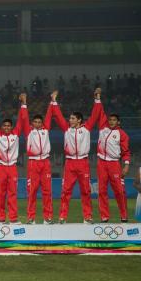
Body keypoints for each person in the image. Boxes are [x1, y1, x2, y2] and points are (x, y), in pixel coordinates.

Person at [49, 89, 102, 224]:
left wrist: (97, 99)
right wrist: (54, 101)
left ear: (79, 120)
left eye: (72, 118)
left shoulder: (87, 128)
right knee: (66, 191)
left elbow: (95, 115)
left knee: (85, 191)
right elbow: (58, 115)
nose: (70, 120)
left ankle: (87, 217)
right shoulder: (67, 129)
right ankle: (62, 217)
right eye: (70, 118)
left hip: (83, 162)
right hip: (70, 163)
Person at [0, 97, 27, 224]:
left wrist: (23, 104)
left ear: (11, 127)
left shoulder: (16, 133)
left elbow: (21, 120)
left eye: (8, 126)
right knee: (0, 194)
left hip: (12, 167)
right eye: (4, 125)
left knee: (12, 194)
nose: (6, 127)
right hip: (1, 167)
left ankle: (13, 218)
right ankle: (0, 218)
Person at [94, 96, 130, 223]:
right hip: (101, 163)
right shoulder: (103, 127)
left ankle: (124, 215)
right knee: (102, 190)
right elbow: (100, 111)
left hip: (114, 164)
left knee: (119, 192)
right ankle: (104, 216)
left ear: (118, 122)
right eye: (110, 119)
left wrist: (126, 166)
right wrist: (98, 98)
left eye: (114, 120)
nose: (111, 121)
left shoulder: (122, 134)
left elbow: (126, 152)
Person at [19, 93, 54, 224]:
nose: (38, 124)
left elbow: (50, 116)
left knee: (47, 191)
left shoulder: (46, 130)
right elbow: (24, 117)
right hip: (33, 163)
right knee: (32, 191)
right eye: (36, 122)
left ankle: (48, 217)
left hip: (45, 162)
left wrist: (52, 101)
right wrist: (24, 103)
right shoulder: (29, 131)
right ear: (32, 123)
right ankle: (31, 217)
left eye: (40, 122)